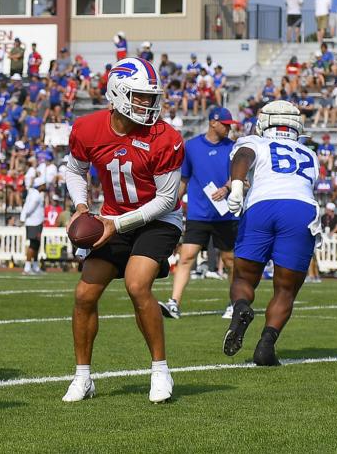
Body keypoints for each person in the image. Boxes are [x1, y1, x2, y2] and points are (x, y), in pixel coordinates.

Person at [61, 56, 185, 404]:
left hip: (159, 219)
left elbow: (166, 199)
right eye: (140, 96)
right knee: (84, 295)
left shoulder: (166, 137)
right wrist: (83, 207)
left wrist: (115, 223)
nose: (147, 104)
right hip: (113, 217)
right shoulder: (87, 128)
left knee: (136, 284)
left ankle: (160, 370)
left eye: (151, 97)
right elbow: (73, 170)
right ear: (116, 94)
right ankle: (83, 377)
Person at [222, 100, 320, 366]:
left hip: (262, 206)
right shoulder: (309, 154)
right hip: (300, 209)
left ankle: (242, 308)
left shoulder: (256, 141)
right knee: (286, 289)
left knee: (244, 277)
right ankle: (266, 345)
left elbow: (243, 157)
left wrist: (238, 186)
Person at [159, 107, 240, 320]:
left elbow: (238, 176)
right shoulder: (192, 147)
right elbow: (184, 180)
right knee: (186, 257)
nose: (229, 128)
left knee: (230, 261)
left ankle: (234, 303)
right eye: (226, 124)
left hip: (227, 214)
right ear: (213, 122)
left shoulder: (234, 148)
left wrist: (226, 187)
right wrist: (171, 203)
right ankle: (173, 303)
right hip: (198, 214)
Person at [21, 178, 45, 275]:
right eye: (43, 184)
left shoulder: (34, 194)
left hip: (36, 222)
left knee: (36, 244)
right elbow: (29, 208)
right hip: (34, 222)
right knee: (33, 245)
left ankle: (35, 266)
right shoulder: (36, 195)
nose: (45, 186)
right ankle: (27, 267)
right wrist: (24, 217)